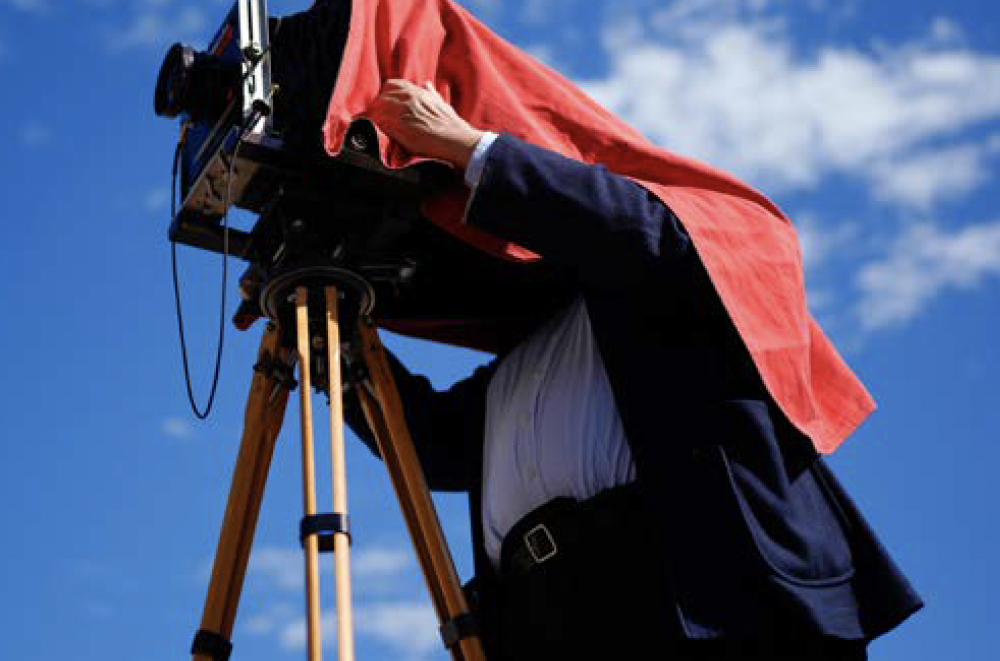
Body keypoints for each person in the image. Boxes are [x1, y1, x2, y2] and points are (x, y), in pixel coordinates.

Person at [336, 78, 922, 661]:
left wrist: (468, 147)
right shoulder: (531, 351)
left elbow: (636, 224)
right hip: (545, 618)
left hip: (691, 601)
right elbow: (436, 447)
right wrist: (333, 341)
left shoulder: (679, 275)